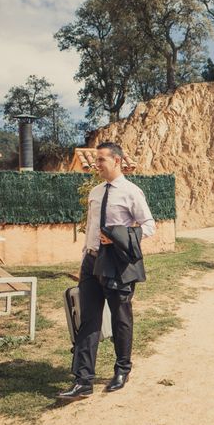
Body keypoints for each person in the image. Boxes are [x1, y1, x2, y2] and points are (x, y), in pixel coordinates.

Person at [58, 142, 155, 400]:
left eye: (101, 160)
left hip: (117, 263)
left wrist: (120, 237)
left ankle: (122, 369)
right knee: (88, 319)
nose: (96, 164)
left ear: (117, 161)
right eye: (96, 160)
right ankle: (83, 380)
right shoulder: (96, 192)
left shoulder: (132, 192)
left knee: (120, 318)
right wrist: (85, 256)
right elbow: (91, 227)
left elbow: (149, 226)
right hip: (90, 262)